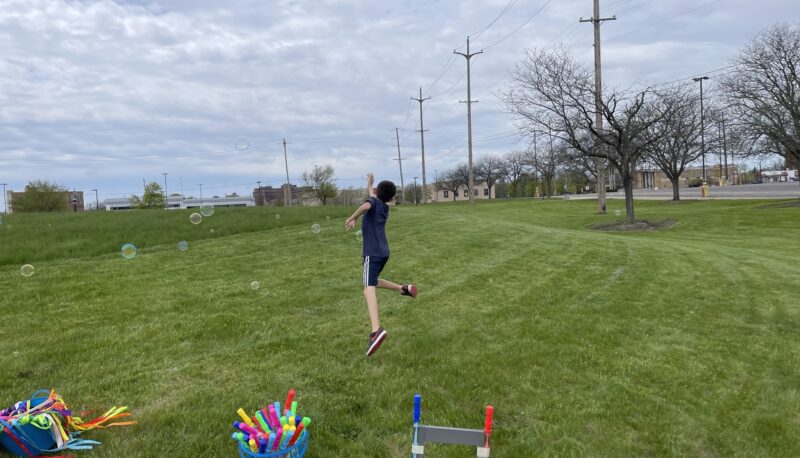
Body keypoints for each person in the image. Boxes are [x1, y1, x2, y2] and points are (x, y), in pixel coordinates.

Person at [345, 172, 417, 356]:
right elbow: (373, 198)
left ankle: (376, 330)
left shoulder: (373, 203)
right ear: (392, 198)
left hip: (372, 253)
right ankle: (404, 289)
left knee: (368, 287)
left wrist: (353, 217)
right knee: (374, 280)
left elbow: (365, 205)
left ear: (377, 192)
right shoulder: (384, 206)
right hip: (384, 252)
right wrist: (371, 185)